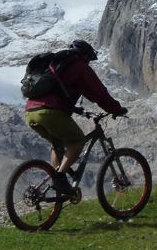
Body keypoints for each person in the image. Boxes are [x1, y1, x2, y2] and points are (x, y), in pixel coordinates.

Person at [24, 39, 127, 195]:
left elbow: (55, 92)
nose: (89, 63)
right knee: (78, 141)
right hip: (50, 113)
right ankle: (59, 178)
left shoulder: (57, 66)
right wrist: (116, 109)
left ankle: (58, 181)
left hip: (30, 112)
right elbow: (99, 93)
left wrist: (75, 109)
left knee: (58, 145)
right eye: (89, 59)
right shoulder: (80, 67)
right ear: (85, 56)